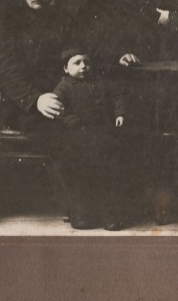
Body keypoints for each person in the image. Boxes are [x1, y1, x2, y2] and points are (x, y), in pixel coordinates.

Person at [51, 48, 131, 230]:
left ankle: (109, 216)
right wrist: (74, 123)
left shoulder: (100, 82)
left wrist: (120, 113)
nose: (83, 66)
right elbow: (58, 109)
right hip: (77, 140)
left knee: (106, 176)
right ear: (65, 68)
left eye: (86, 62)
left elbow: (116, 96)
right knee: (80, 178)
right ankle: (81, 216)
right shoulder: (63, 87)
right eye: (77, 63)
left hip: (102, 137)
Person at [0, 0, 73, 130]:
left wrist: (62, 93)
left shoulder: (64, 20)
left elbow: (73, 58)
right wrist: (36, 99)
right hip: (25, 103)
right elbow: (7, 70)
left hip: (62, 95)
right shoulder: (9, 21)